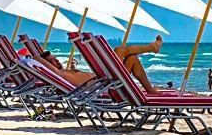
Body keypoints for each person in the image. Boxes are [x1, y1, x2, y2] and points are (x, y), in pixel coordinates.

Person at [35, 36, 163, 93]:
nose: (57, 61)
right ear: (47, 65)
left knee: (132, 59)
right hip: (103, 86)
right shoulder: (58, 73)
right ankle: (152, 47)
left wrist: (74, 69)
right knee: (120, 50)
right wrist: (35, 58)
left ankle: (150, 90)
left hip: (104, 82)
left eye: (56, 59)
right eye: (53, 61)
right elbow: (36, 57)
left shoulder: (63, 72)